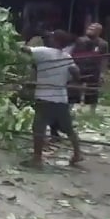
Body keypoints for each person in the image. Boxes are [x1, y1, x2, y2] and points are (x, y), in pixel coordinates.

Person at [23, 30, 83, 168]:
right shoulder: (67, 56)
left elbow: (25, 50)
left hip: (45, 97)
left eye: (51, 37)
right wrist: (74, 81)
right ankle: (77, 153)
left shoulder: (43, 51)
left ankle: (37, 159)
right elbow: (76, 72)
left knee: (38, 128)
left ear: (55, 40)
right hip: (61, 98)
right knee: (68, 128)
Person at [83, 22, 108, 112]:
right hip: (80, 68)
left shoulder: (103, 44)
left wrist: (102, 72)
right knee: (74, 90)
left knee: (93, 90)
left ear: (99, 31)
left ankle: (91, 112)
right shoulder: (81, 41)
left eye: (93, 29)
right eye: (89, 28)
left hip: (94, 70)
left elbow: (104, 58)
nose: (90, 30)